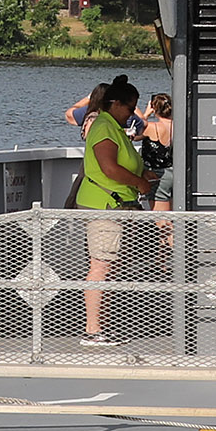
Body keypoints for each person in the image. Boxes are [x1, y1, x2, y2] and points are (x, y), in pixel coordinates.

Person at [75, 77, 152, 341]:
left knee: (110, 267)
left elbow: (123, 164)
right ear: (116, 104)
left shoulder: (113, 127)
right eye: (130, 109)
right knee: (101, 266)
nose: (132, 115)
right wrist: (139, 182)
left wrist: (146, 174)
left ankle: (101, 327)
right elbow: (109, 168)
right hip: (104, 206)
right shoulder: (105, 127)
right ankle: (92, 331)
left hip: (115, 205)